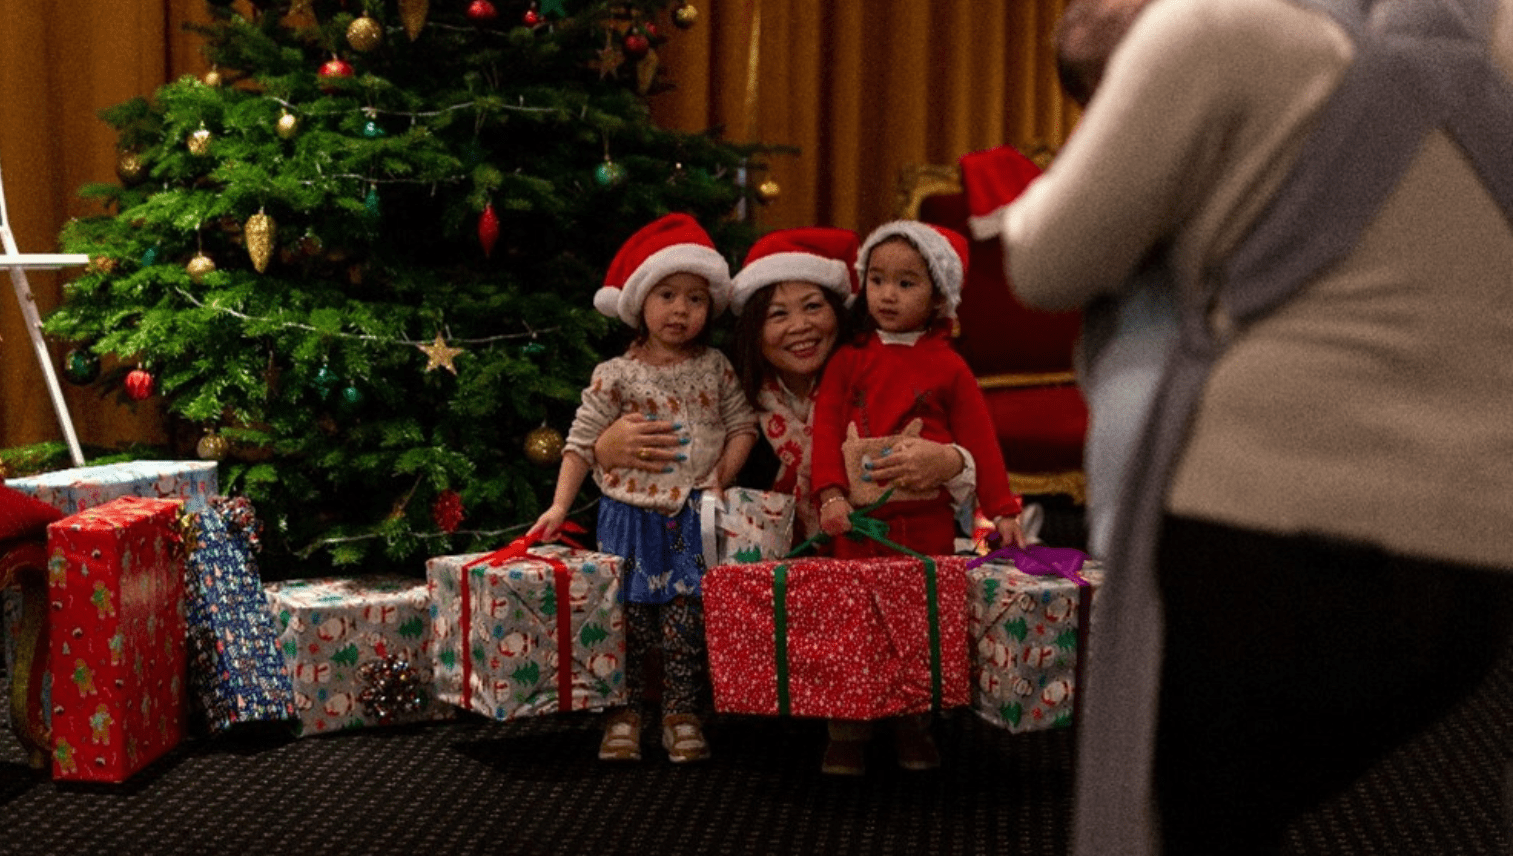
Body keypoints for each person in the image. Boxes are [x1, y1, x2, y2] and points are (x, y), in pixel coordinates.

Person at [970, 0, 1513, 852]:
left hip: (1257, 524)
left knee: (1199, 821)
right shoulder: (1492, 52)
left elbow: (1048, 264)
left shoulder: (1219, 30)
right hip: (1477, 549)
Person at [594, 225, 975, 776]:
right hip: (780, 582)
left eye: (813, 307)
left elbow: (965, 435)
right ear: (754, 326)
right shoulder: (734, 394)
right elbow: (663, 460)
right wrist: (605, 449)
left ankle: (903, 718)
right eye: (778, 313)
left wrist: (952, 461)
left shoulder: (883, 372)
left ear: (840, 311)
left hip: (885, 549)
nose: (799, 327)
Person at [529, 212, 757, 764]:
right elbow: (581, 442)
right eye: (667, 295)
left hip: (691, 518)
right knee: (628, 623)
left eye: (695, 299)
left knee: (685, 621)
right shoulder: (616, 374)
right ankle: (624, 714)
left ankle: (681, 714)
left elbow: (743, 425)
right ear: (639, 303)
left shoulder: (717, 367)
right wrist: (559, 506)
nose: (681, 310)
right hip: (629, 517)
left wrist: (720, 477)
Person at [807, 221, 1028, 775]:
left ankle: (913, 724)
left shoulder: (949, 366)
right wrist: (830, 494)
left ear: (938, 296)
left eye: (906, 283)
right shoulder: (848, 359)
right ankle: (847, 730)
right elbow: (826, 427)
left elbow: (980, 439)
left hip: (925, 523)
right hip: (858, 525)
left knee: (917, 626)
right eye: (877, 280)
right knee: (853, 625)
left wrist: (1002, 509)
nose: (887, 294)